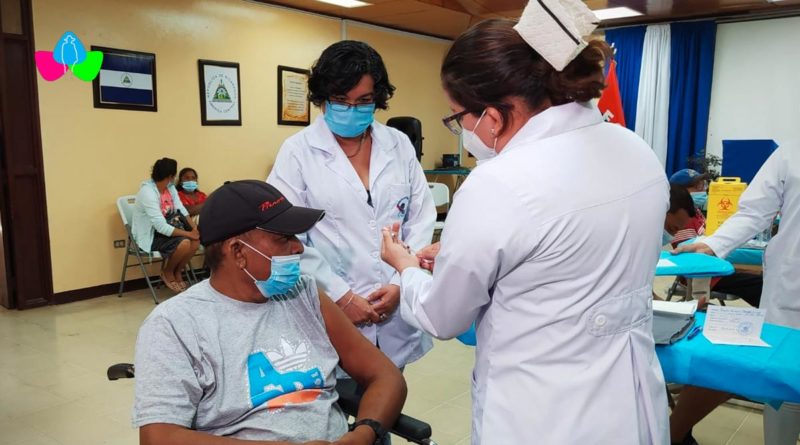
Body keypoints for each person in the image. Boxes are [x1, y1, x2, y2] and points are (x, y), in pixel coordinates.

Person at [380, 8, 669, 444]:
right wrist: (464, 256)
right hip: (629, 400)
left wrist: (406, 268)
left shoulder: (498, 182)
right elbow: (572, 254)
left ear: (493, 116)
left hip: (541, 411)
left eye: (459, 117)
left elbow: (444, 317)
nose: (464, 131)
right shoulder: (636, 150)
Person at [133, 180, 406, 445]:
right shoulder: (175, 324)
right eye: (283, 238)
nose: (298, 247)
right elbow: (158, 437)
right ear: (238, 251)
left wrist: (362, 434)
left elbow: (386, 375)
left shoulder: (304, 294)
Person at [267, 41, 436, 378]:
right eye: (340, 101)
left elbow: (420, 215)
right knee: (335, 407)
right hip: (331, 305)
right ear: (322, 99)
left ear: (378, 99)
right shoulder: (299, 152)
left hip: (394, 302)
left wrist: (402, 281)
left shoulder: (398, 144)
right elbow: (285, 235)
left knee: (387, 396)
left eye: (363, 102)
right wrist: (341, 296)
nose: (352, 110)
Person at [675, 145, 800, 445]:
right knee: (783, 395)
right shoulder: (791, 153)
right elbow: (755, 211)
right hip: (791, 292)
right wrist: (713, 244)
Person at [664, 184, 763, 308]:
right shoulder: (684, 221)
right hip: (708, 274)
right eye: (697, 187)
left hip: (712, 269)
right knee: (758, 285)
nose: (701, 190)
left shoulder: (691, 215)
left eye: (702, 186)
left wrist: (667, 308)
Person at [132, 158, 200, 292]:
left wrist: (194, 229)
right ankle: (168, 272)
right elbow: (160, 226)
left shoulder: (170, 188)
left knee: (195, 241)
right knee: (185, 242)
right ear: (171, 176)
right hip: (153, 235)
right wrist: (188, 233)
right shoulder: (148, 192)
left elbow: (181, 210)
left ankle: (178, 271)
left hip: (171, 229)